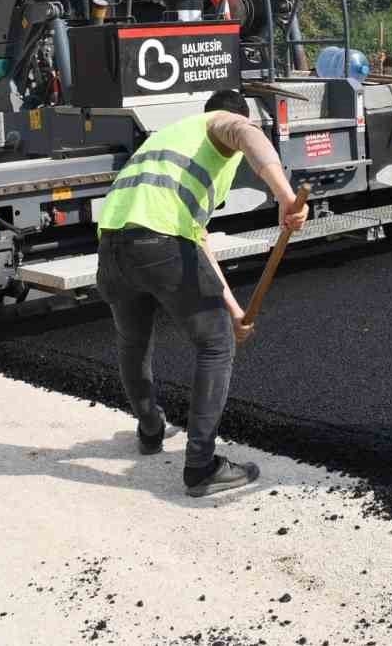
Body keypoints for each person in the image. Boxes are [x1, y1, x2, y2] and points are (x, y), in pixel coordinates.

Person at [95, 89, 308, 497]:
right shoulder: (219, 123)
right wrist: (285, 195)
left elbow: (198, 241)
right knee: (215, 347)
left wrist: (232, 308)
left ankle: (151, 430)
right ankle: (200, 466)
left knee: (133, 343)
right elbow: (247, 133)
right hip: (159, 243)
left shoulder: (166, 142)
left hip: (113, 250)